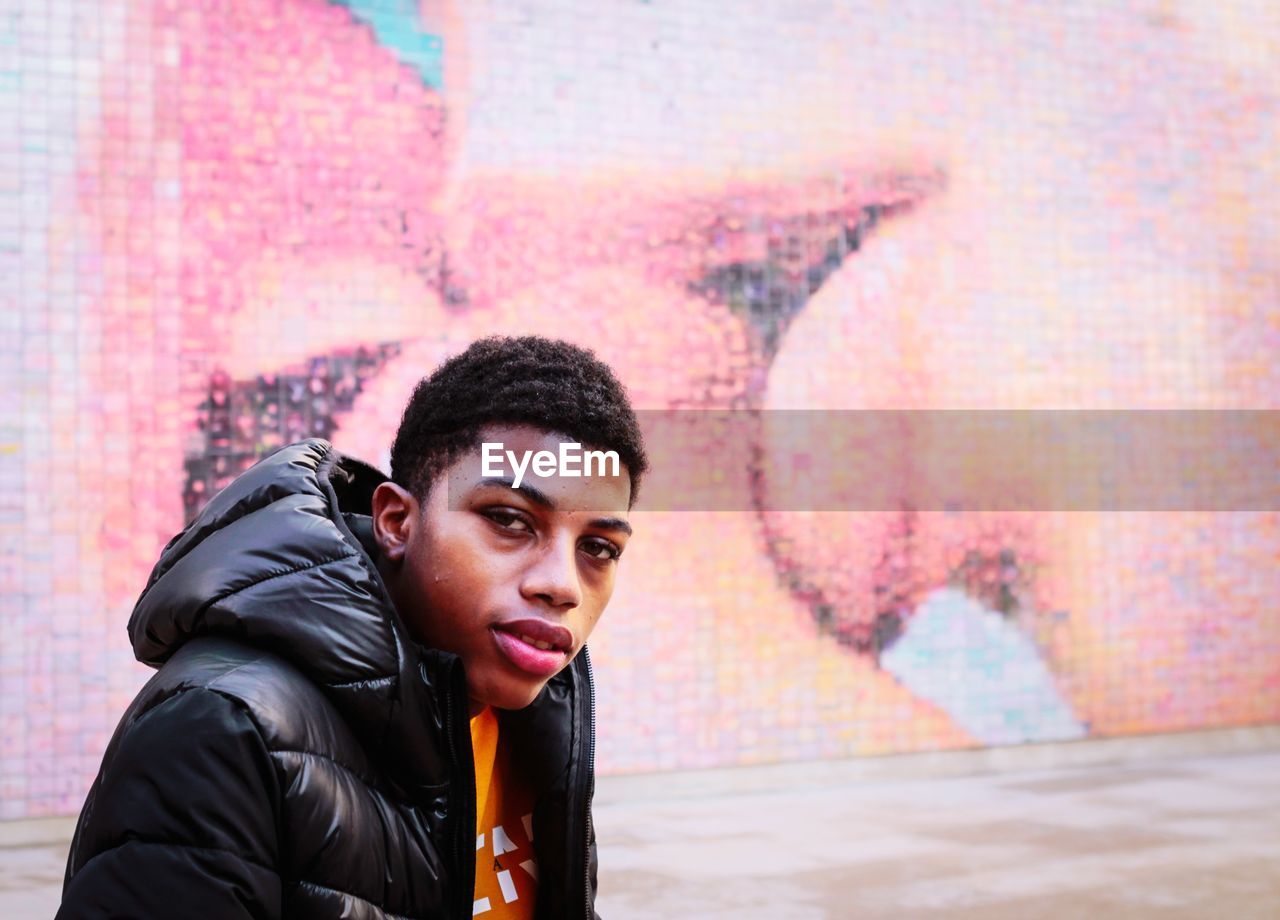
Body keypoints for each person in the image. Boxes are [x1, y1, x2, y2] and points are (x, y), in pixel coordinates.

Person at [57, 335, 646, 920]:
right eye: (509, 521)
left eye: (598, 547)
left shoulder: (539, 712)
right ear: (396, 522)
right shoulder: (221, 732)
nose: (563, 586)